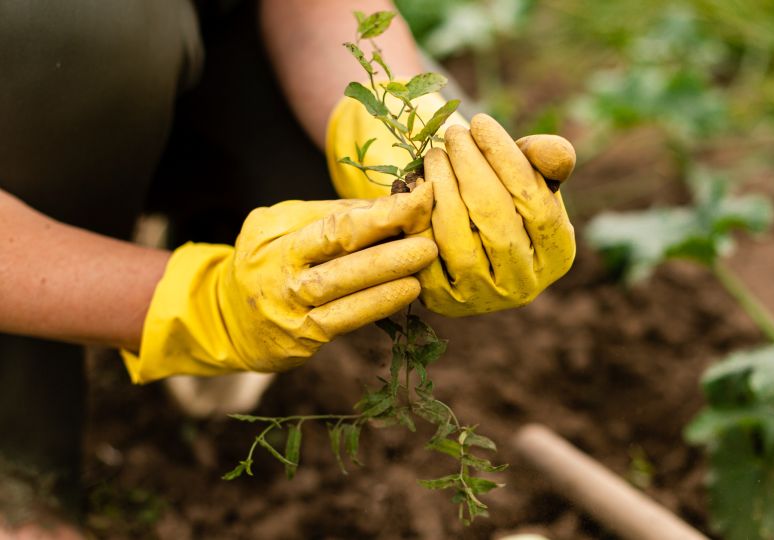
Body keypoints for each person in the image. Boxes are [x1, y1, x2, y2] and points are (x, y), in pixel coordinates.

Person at [0, 0, 575, 536]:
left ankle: (214, 254)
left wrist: (405, 147)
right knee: (80, 30)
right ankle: (17, 478)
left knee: (422, 145)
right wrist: (196, 304)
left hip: (188, 66)